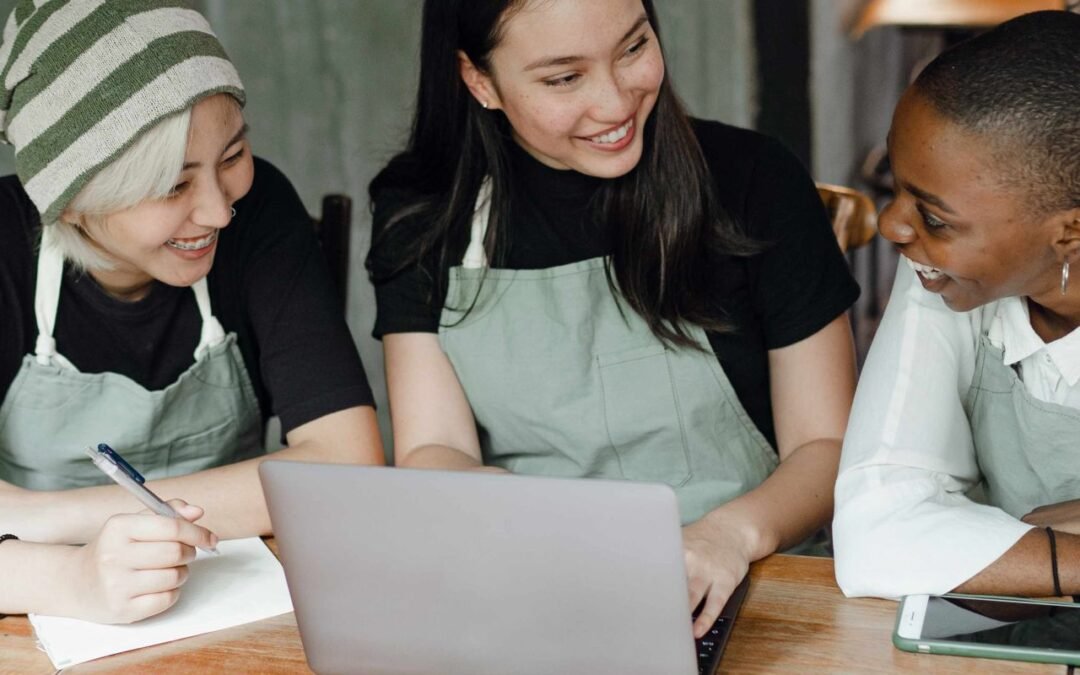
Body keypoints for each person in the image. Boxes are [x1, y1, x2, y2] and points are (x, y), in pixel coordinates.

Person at [368, 0, 859, 637]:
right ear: (479, 80)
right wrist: (514, 517)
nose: (616, 103)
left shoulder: (754, 181)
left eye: (632, 48)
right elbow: (434, 447)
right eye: (564, 78)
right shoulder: (425, 212)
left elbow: (828, 447)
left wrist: (727, 536)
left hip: (753, 581)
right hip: (527, 583)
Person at [0, 1, 383, 623]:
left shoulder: (260, 215)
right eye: (173, 185)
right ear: (68, 201)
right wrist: (70, 578)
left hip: (243, 599)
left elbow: (347, 465)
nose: (218, 212)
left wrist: (39, 516)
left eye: (231, 158)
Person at [833, 11, 1080, 599]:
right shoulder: (943, 274)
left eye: (935, 217)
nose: (892, 226)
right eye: (895, 185)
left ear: (1070, 231)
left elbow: (917, 542)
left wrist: (985, 542)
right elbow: (876, 537)